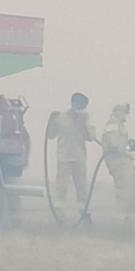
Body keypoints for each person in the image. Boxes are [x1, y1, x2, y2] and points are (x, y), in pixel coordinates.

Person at [47, 92, 97, 223]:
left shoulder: (85, 118)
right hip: (64, 157)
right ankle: (59, 216)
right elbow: (50, 135)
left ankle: (84, 214)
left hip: (79, 158)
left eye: (84, 106)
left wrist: (85, 123)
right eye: (80, 105)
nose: (82, 108)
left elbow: (91, 137)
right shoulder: (60, 118)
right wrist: (51, 121)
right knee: (61, 187)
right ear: (73, 103)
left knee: (81, 188)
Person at [102, 103, 135, 225]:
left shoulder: (120, 126)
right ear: (117, 112)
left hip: (125, 162)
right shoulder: (113, 125)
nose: (125, 115)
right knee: (125, 190)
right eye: (124, 113)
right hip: (118, 163)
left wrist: (131, 147)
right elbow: (114, 145)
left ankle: (130, 218)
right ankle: (118, 219)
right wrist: (128, 152)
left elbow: (121, 143)